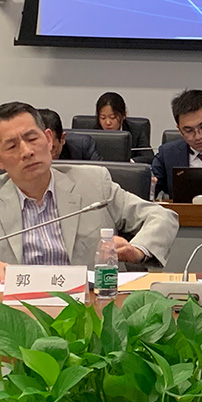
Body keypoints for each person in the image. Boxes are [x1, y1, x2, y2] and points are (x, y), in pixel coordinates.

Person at [0, 101, 179, 282]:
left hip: (90, 297)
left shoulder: (93, 183)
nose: (27, 151)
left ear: (48, 140)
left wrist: (138, 250)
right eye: (12, 146)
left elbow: (162, 217)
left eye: (32, 139)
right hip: (16, 299)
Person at [94, 92, 153, 164]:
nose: (108, 122)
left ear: (124, 115)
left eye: (113, 117)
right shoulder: (93, 132)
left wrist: (129, 162)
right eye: (103, 118)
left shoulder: (137, 131)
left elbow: (149, 157)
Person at [38, 108, 102, 161]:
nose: (46, 155)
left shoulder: (83, 146)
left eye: (52, 148)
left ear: (62, 139)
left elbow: (100, 170)